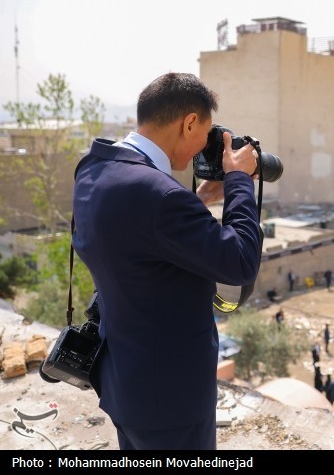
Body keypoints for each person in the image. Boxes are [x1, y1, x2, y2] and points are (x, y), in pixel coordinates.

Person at [71, 72, 261, 450]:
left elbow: (137, 235)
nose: (200, 152)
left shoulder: (94, 167)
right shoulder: (159, 197)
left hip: (122, 383)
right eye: (204, 137)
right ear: (189, 122)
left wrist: (198, 201)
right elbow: (240, 261)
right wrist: (239, 179)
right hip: (170, 403)